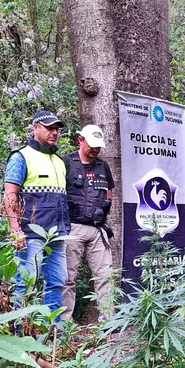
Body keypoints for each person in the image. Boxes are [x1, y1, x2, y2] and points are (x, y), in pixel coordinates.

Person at [3, 110, 70, 314]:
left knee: (57, 282)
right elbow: (10, 195)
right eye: (49, 128)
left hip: (56, 233)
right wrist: (15, 229)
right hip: (31, 233)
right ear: (35, 128)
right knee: (26, 283)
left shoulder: (59, 161)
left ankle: (52, 332)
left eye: (56, 129)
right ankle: (20, 331)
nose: (54, 132)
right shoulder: (21, 157)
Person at [61, 124, 115, 322]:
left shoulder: (103, 166)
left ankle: (108, 320)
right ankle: (65, 322)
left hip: (98, 229)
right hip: (72, 227)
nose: (95, 150)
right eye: (91, 145)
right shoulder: (66, 162)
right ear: (80, 140)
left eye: (98, 147)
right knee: (68, 277)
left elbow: (109, 193)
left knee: (105, 275)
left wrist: (104, 209)